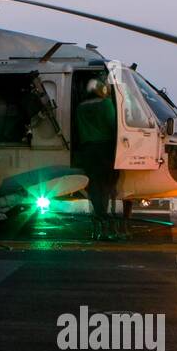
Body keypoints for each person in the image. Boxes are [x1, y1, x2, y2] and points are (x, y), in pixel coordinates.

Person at [75, 78, 121, 240]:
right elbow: (113, 125)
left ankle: (99, 215)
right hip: (105, 148)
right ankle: (105, 218)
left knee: (94, 185)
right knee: (107, 185)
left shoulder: (80, 108)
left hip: (88, 150)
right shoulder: (106, 104)